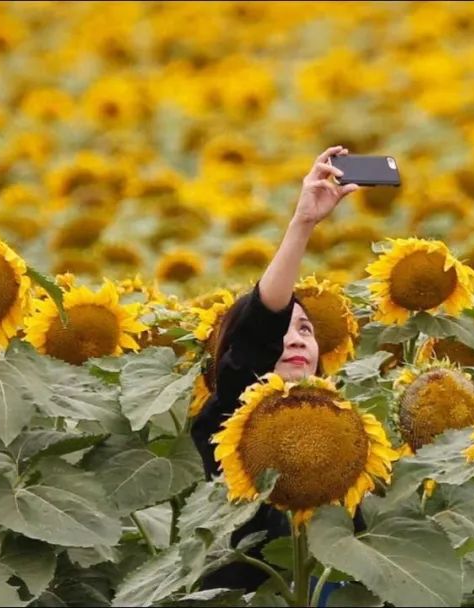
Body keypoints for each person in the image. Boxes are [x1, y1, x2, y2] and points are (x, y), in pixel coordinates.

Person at [190, 145, 360, 593]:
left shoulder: (349, 433)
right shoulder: (228, 422)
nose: (297, 337)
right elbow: (258, 328)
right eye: (283, 331)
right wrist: (302, 224)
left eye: (305, 328)